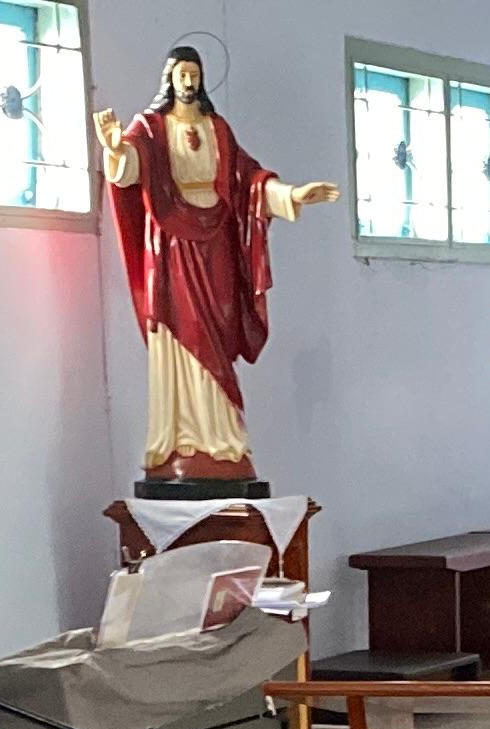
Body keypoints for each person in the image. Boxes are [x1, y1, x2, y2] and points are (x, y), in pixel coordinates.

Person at [96, 46, 339, 487]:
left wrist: (292, 195)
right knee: (178, 335)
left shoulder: (218, 130)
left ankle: (223, 441)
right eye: (182, 74)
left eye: (195, 74)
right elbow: (128, 173)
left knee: (215, 337)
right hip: (170, 248)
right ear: (169, 79)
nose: (188, 82)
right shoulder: (149, 128)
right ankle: (176, 443)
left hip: (216, 247)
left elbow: (248, 180)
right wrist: (116, 149)